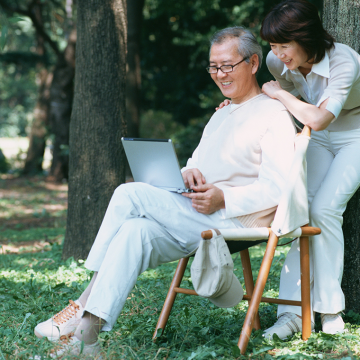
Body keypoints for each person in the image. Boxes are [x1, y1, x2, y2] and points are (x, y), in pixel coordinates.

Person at [34, 26, 296, 357]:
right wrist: (187, 174)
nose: (219, 74)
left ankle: (80, 303)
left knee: (128, 194)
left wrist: (223, 197)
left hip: (233, 221)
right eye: (213, 66)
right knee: (133, 231)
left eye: (227, 65)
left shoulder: (273, 113)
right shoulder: (220, 115)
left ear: (254, 63)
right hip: (193, 213)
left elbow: (277, 187)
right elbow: (194, 163)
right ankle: (86, 340)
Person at [257, 0, 360, 339]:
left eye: (284, 44)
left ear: (306, 37)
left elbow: (315, 115)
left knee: (325, 209)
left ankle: (330, 310)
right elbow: (285, 111)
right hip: (317, 138)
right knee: (298, 213)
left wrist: (279, 95)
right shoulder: (276, 61)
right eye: (273, 45)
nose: (278, 53)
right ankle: (289, 313)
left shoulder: (344, 60)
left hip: (355, 135)